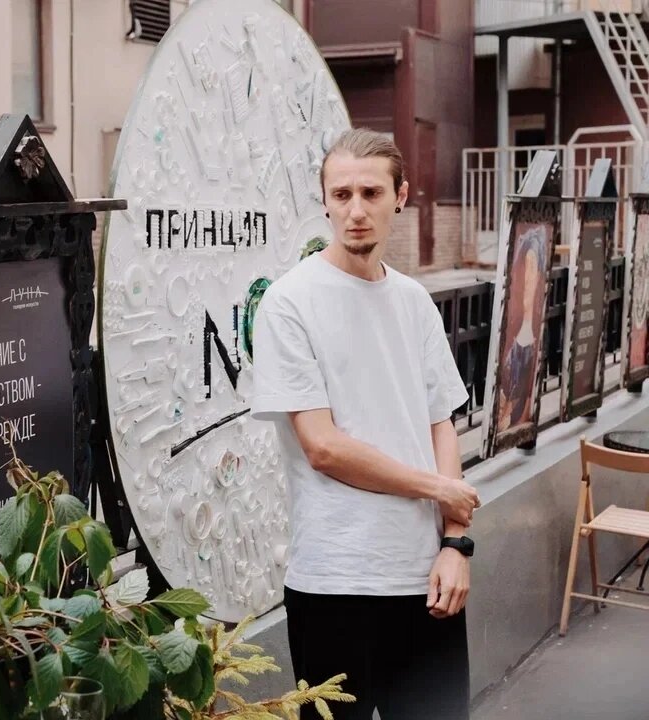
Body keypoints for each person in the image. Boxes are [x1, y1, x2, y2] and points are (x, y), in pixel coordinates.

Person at [250, 128, 481, 720]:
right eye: (342, 194)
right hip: (335, 581)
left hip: (427, 576)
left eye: (371, 193)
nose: (356, 210)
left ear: (400, 196)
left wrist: (455, 543)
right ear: (325, 200)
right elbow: (323, 447)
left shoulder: (414, 301)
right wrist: (441, 490)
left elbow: (441, 423)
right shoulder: (289, 303)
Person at [497, 225, 547, 432]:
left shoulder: (532, 342)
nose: (528, 279)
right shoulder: (511, 342)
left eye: (533, 270)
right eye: (526, 269)